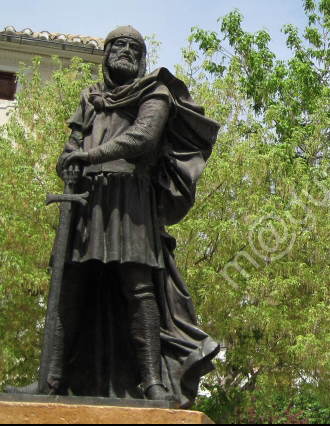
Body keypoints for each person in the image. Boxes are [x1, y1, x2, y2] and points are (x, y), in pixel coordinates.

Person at [18, 26, 221, 405]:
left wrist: (88, 157)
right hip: (86, 200)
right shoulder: (91, 98)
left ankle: (153, 384)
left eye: (133, 48)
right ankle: (50, 383)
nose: (125, 52)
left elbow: (142, 138)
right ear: (107, 54)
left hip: (131, 200)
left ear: (141, 58)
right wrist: (68, 162)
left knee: (138, 288)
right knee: (71, 288)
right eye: (119, 46)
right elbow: (71, 147)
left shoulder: (155, 91)